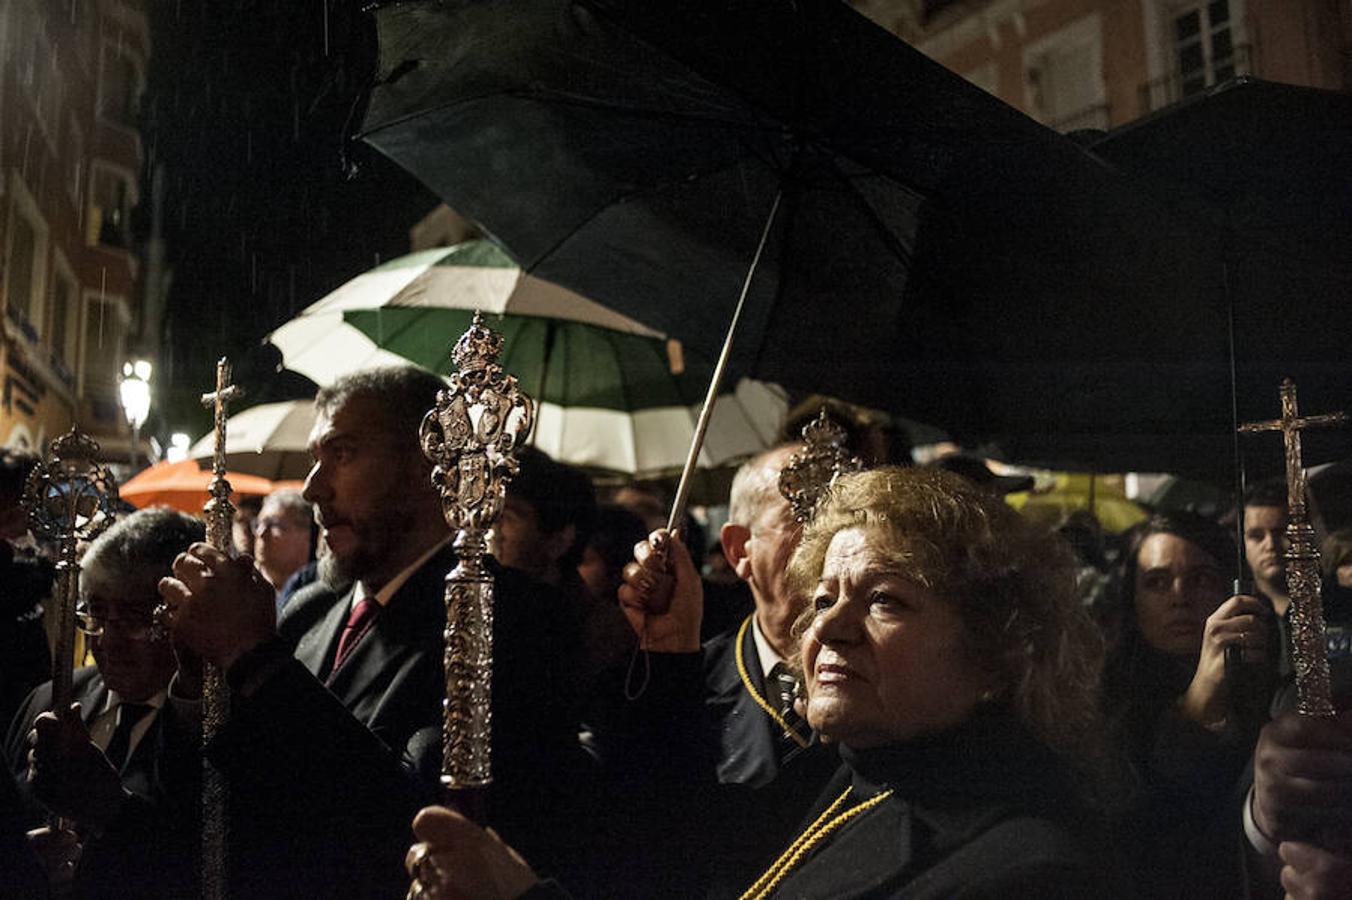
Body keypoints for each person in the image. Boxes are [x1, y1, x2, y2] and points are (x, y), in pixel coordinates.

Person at [404, 468, 1116, 899]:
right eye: (825, 596)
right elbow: (671, 852)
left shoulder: (1029, 870)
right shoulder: (846, 777)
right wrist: (673, 651)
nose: (828, 628)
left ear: (998, 653)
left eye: (886, 601)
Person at [157, 366, 589, 897]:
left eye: (343, 454)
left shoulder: (517, 620)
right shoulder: (308, 611)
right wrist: (197, 685)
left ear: (429, 463)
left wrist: (254, 658)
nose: (313, 488)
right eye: (315, 458)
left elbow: (408, 831)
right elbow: (226, 800)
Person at [7, 507, 205, 897]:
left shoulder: (212, 722)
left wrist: (112, 810)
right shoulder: (51, 699)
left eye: (134, 619)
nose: (107, 641)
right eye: (96, 614)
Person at [1102, 512, 1274, 897]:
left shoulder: (1268, 681)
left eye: (1200, 578)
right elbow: (1138, 820)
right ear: (1133, 599)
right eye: (1157, 582)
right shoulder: (1104, 695)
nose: (1179, 596)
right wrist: (1201, 697)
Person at [251, 487, 315, 598]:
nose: (261, 533)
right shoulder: (241, 588)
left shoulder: (320, 593)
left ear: (306, 536)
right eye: (258, 524)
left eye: (275, 525)